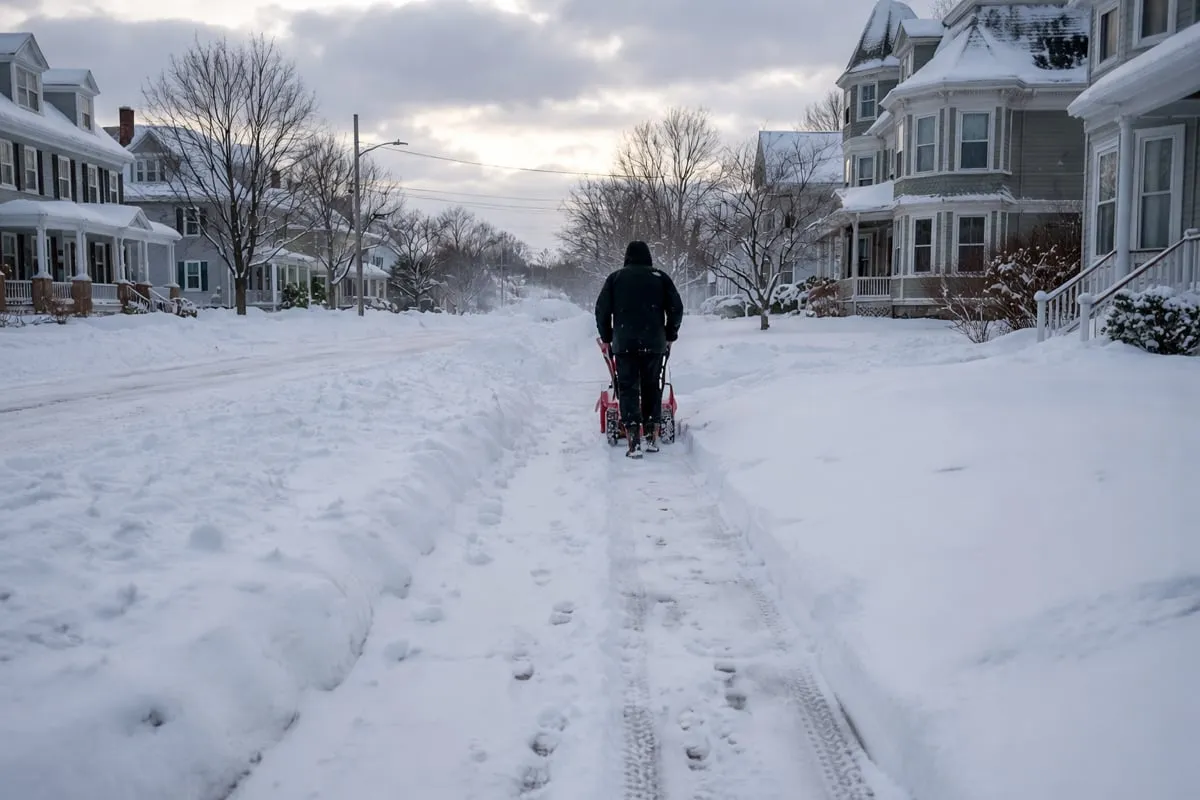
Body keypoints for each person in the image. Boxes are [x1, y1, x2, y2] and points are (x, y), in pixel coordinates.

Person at [594, 240, 684, 458]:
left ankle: (634, 441)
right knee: (652, 385)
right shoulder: (660, 278)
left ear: (627, 257)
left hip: (624, 343)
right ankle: (652, 436)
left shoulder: (615, 279)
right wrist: (670, 334)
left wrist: (607, 337)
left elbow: (602, 310)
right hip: (654, 343)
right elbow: (676, 308)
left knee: (627, 388)